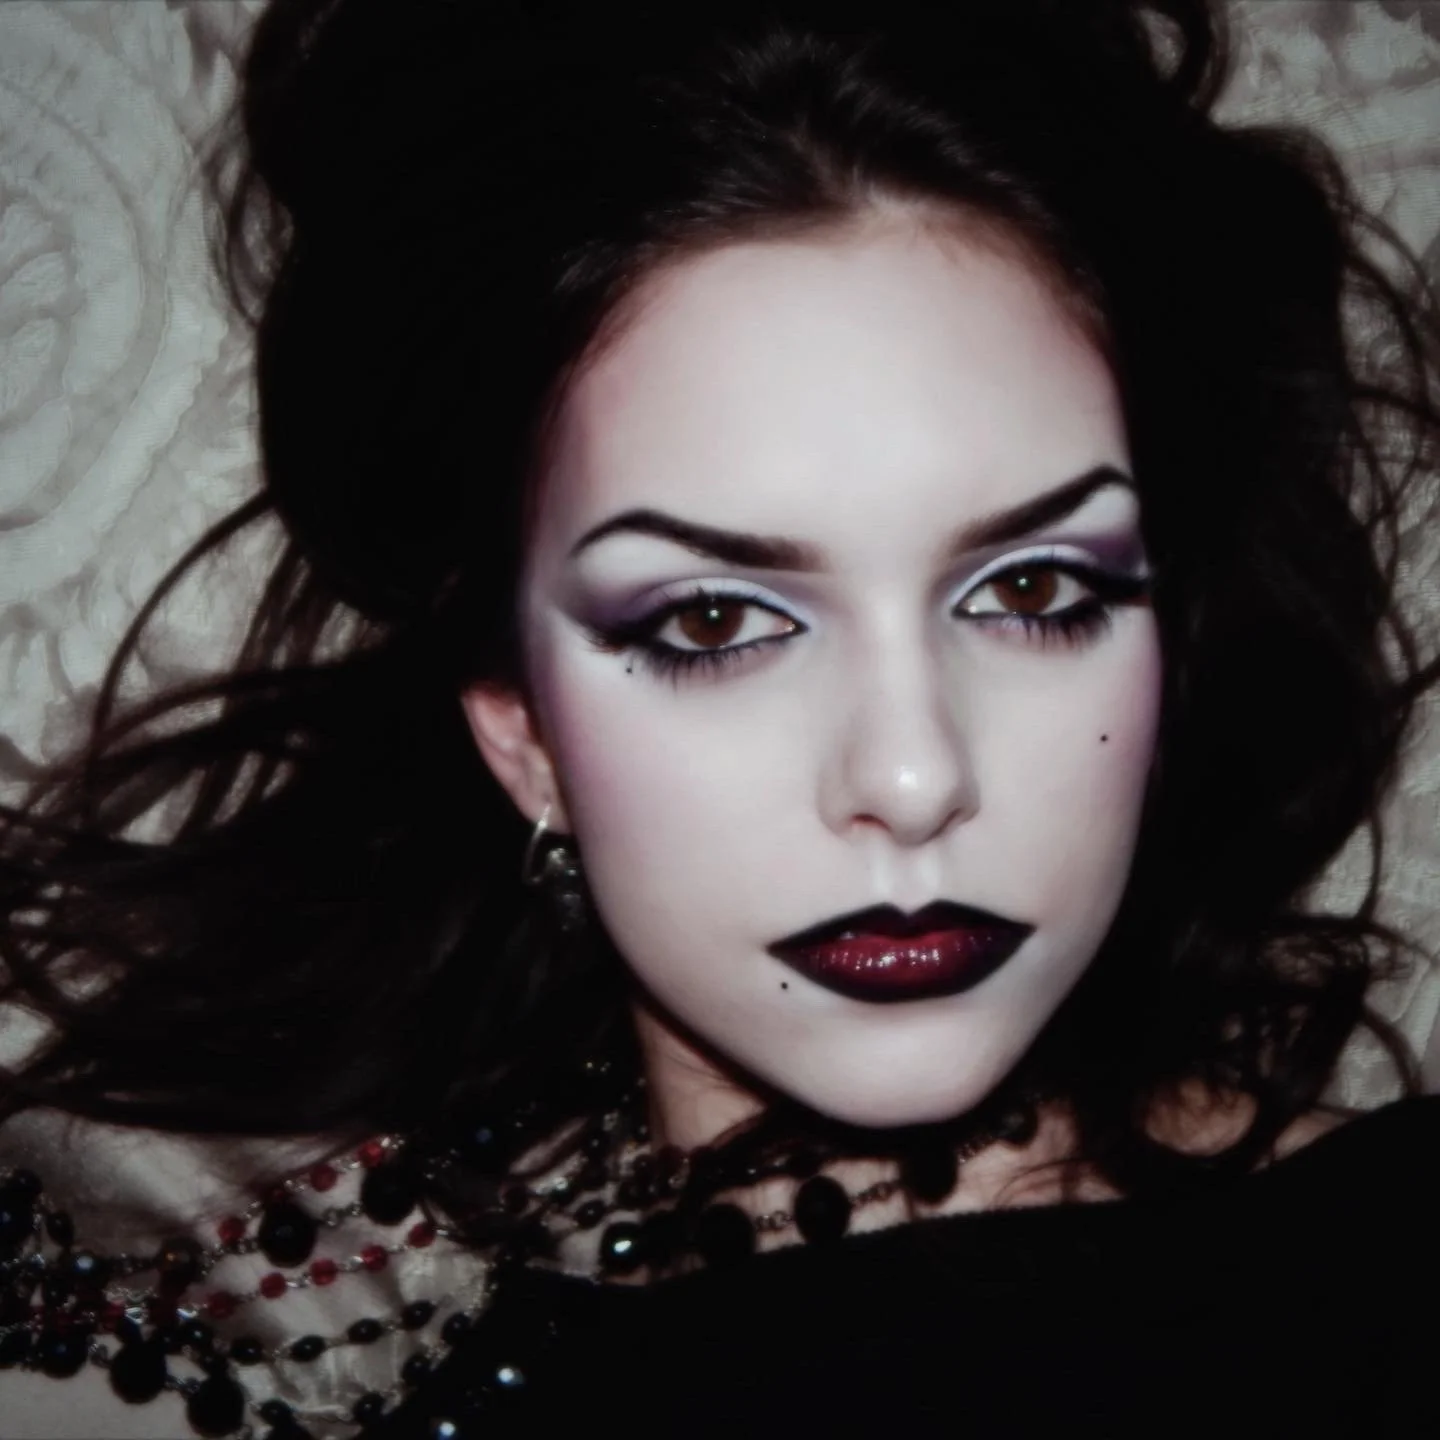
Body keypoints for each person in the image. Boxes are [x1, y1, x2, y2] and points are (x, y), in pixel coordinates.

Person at [1, 0, 1438, 1436]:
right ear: (521, 729)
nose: (913, 773)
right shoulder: (210, 1346)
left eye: (1034, 588)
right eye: (713, 623)